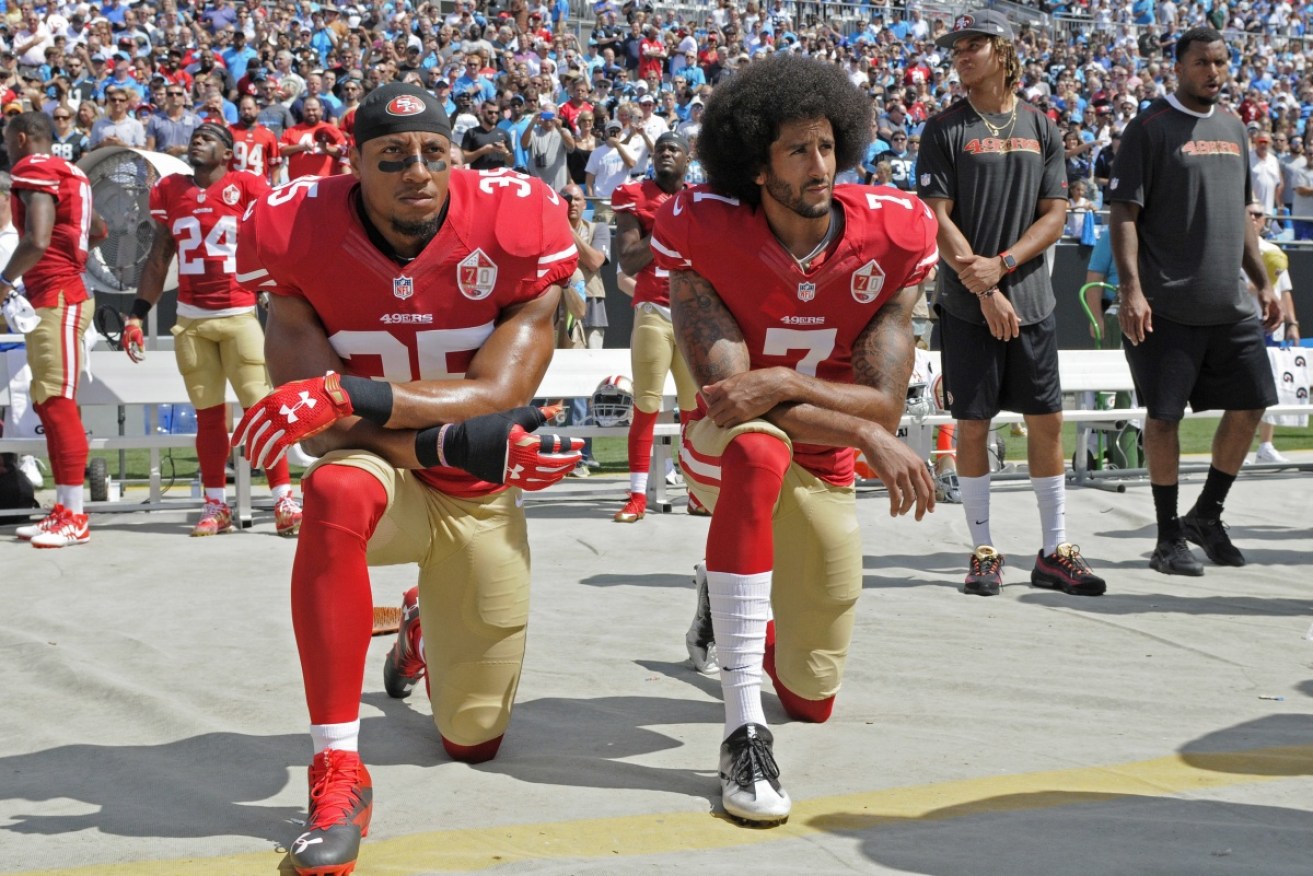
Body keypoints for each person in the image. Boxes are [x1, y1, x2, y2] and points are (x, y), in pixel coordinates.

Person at [229, 84, 582, 876]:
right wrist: (432, 442)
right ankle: (339, 771)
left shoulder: (516, 218)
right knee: (332, 488)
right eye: (392, 157)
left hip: (475, 497)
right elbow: (321, 434)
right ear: (354, 166)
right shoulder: (292, 226)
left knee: (473, 742)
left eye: (431, 152)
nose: (416, 171)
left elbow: (500, 395)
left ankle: (422, 631)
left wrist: (353, 390)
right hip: (387, 473)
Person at [652, 55, 938, 826]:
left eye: (826, 145)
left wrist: (787, 386)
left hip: (824, 460)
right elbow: (730, 399)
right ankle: (741, 729)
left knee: (812, 699)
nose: (821, 165)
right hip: (728, 448)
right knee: (752, 448)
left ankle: (728, 595)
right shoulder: (700, 228)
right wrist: (847, 422)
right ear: (752, 163)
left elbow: (878, 403)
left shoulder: (894, 231)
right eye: (796, 150)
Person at [917, 10, 1106, 599]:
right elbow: (936, 217)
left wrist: (1001, 268)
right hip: (970, 306)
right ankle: (983, 550)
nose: (961, 54)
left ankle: (1054, 550)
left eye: (974, 44)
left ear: (1003, 52)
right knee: (973, 425)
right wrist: (986, 288)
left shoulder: (1041, 126)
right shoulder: (943, 127)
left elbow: (1054, 215)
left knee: (1045, 421)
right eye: (956, 46)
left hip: (1033, 301)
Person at [1107, 27, 1282, 577]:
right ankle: (1166, 539)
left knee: (1253, 404)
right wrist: (1132, 289)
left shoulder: (1234, 126)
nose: (1214, 71)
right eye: (1202, 62)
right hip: (1166, 306)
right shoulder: (1149, 127)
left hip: (1230, 305)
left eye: (1221, 61)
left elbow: (1241, 218)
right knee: (1163, 420)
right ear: (1179, 67)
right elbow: (1124, 214)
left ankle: (1206, 515)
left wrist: (1264, 283)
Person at [122, 123, 302, 537]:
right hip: (191, 317)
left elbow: (278, 242)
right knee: (208, 417)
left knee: (263, 408)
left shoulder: (248, 185)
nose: (198, 139)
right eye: (196, 135)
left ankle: (284, 501)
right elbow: (159, 256)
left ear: (227, 152)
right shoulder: (171, 190)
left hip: (239, 313)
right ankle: (216, 503)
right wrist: (135, 313)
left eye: (209, 136)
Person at [4, 111, 106, 548]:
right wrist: (73, 250)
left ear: (23, 138)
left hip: (56, 295)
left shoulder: (34, 167)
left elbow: (38, 239)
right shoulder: (74, 173)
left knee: (58, 403)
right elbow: (97, 229)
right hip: (61, 290)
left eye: (9, 142)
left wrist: (5, 280)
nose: (8, 150)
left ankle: (74, 514)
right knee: (48, 400)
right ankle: (65, 509)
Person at [609, 131, 700, 522]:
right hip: (653, 310)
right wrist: (667, 223)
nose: (665, 153)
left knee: (696, 409)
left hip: (694, 313)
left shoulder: (700, 199)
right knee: (646, 404)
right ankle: (636, 497)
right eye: (660, 148)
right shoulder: (635, 195)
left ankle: (698, 492)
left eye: (673, 149)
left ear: (687, 157)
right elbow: (629, 260)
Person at [1247, 201, 1299, 465]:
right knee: (1243, 387)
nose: (1256, 218)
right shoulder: (1235, 250)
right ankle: (1242, 445)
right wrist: (1261, 283)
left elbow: (1284, 292)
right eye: (1251, 214)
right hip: (1245, 323)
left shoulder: (1273, 251)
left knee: (1273, 384)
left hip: (1272, 325)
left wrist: (1293, 323)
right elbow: (1234, 291)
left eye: (1259, 214)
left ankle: (1266, 444)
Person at [279, 95, 347, 179]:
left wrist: (326, 149)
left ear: (321, 110)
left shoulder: (331, 129)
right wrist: (300, 147)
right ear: (302, 111)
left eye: (314, 110)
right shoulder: (291, 131)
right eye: (307, 110)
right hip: (299, 183)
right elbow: (280, 151)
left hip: (326, 183)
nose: (311, 113)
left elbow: (344, 153)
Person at [228, 93, 281, 183]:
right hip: (234, 184)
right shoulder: (229, 131)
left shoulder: (268, 134)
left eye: (249, 108)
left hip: (259, 184)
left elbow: (274, 165)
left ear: (257, 109)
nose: (246, 112)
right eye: (243, 109)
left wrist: (274, 186)